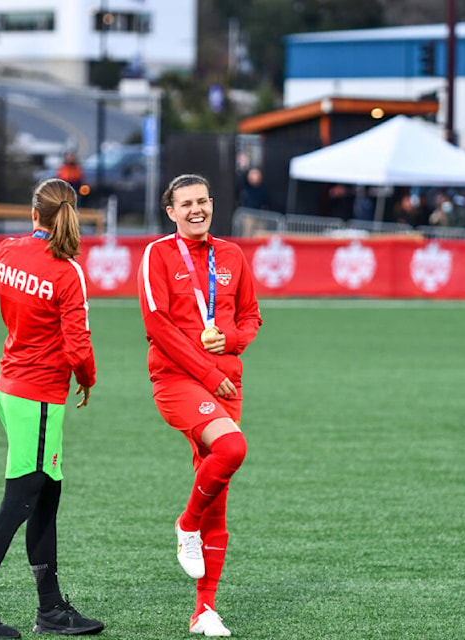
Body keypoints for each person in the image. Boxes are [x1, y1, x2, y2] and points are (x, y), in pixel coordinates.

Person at [0, 177, 103, 638]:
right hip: (36, 395)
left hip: (13, 388)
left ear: (33, 213)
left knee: (46, 496)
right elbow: (78, 347)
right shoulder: (67, 270)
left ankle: (51, 609)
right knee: (19, 501)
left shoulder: (10, 249)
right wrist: (88, 380)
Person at [137, 174, 262, 637]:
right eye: (185, 203)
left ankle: (204, 609)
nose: (196, 210)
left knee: (219, 495)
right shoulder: (158, 254)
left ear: (213, 204)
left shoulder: (232, 255)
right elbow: (159, 327)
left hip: (227, 382)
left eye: (203, 201)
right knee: (231, 450)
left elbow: (251, 317)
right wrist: (209, 373)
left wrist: (228, 340)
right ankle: (185, 524)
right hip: (178, 378)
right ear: (170, 212)